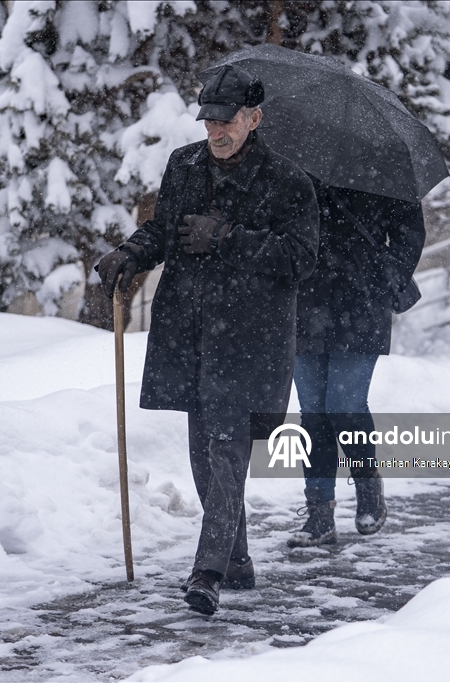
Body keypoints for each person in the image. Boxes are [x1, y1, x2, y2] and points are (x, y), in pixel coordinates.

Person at [96, 65, 319, 615]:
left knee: (226, 452)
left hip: (252, 337)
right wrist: (131, 254)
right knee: (202, 456)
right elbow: (162, 231)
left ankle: (208, 572)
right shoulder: (186, 165)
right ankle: (237, 556)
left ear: (254, 118)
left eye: (227, 121)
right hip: (189, 332)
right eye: (209, 121)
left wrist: (229, 237)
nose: (216, 132)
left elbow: (300, 259)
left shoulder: (288, 182)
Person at [288, 179, 426, 547]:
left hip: (361, 305)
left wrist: (384, 276)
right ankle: (319, 513)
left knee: (344, 406)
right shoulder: (294, 167)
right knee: (312, 412)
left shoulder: (382, 170)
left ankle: (367, 485)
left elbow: (409, 235)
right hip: (305, 302)